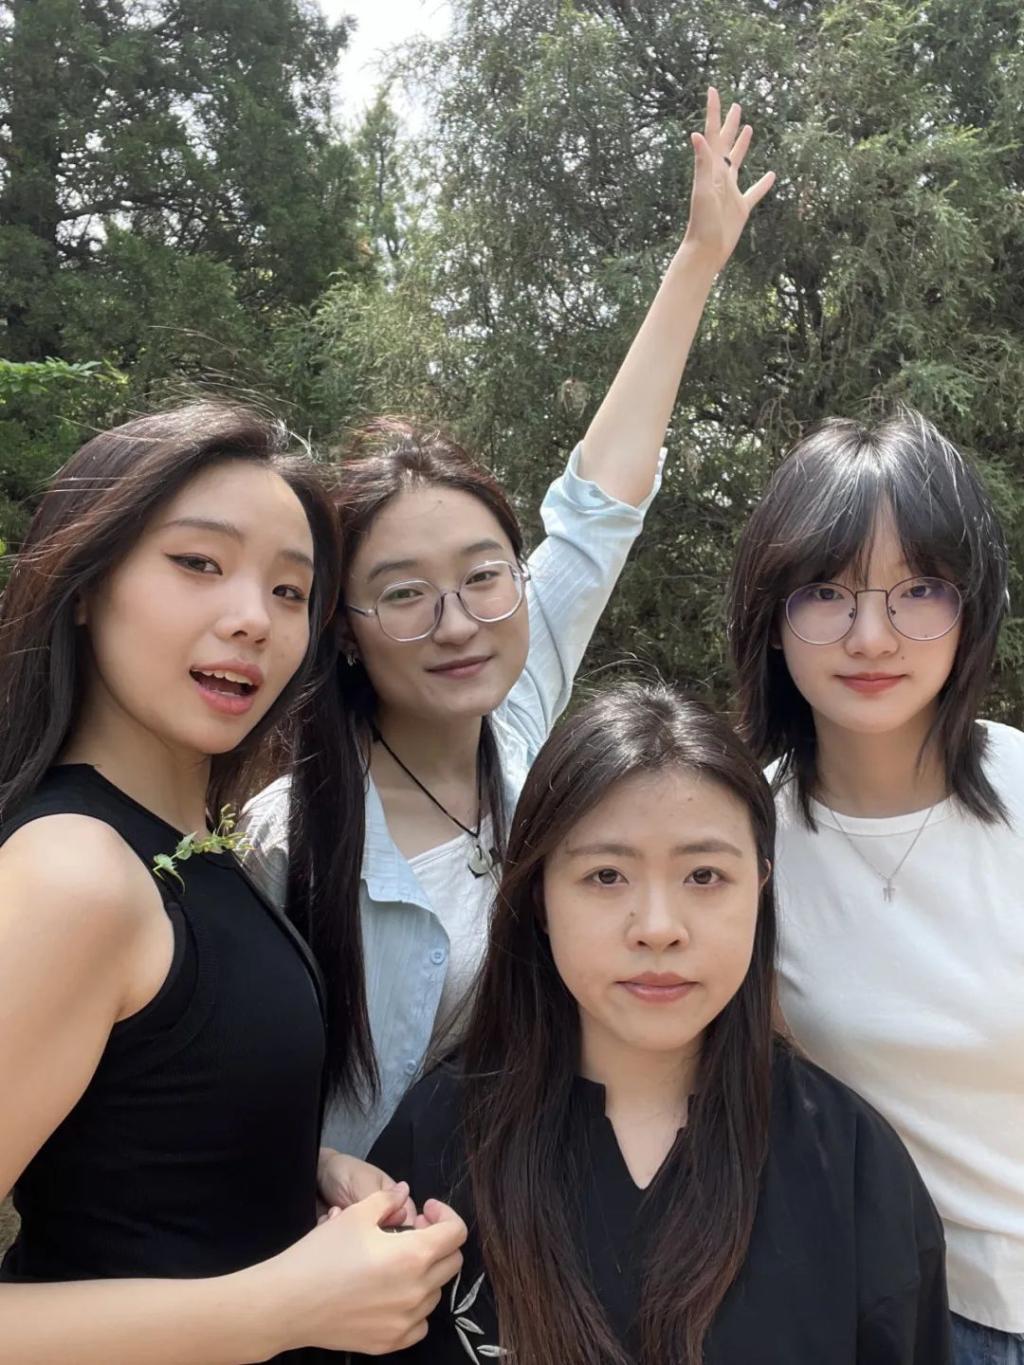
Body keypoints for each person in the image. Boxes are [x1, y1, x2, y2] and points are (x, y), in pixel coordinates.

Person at [245, 87, 777, 1160]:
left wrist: (695, 262)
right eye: (404, 593)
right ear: (344, 626)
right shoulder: (289, 837)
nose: (457, 623)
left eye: (484, 575)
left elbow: (599, 507)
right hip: (389, 1235)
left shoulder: (519, 706)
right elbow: (233, 1088)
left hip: (552, 1205)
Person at [0, 403, 465, 1364]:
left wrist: (297, 1169)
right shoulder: (74, 872)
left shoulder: (195, 848)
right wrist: (277, 1309)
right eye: (198, 562)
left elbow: (134, 1138)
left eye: (291, 590)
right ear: (85, 584)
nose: (255, 617)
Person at [358, 682, 951, 1364]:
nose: (659, 928)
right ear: (540, 896)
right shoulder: (436, 1140)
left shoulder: (850, 1165)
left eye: (704, 876)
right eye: (607, 876)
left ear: (760, 887)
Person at [727, 410, 1024, 1362]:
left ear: (970, 608)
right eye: (826, 591)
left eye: (919, 589)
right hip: (889, 1319)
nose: (871, 636)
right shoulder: (737, 845)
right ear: (772, 619)